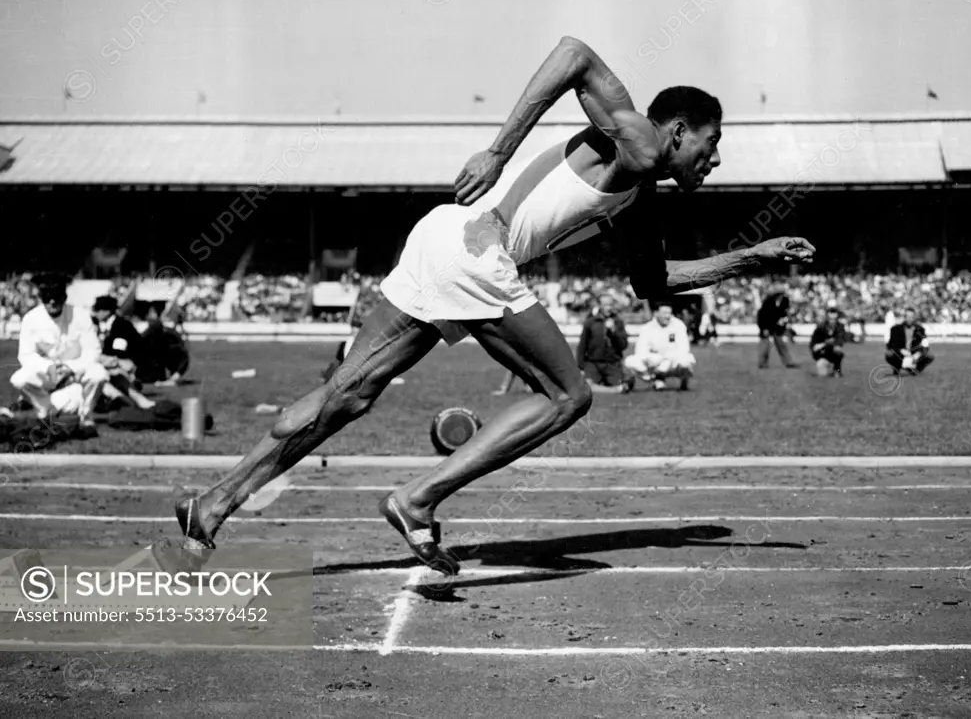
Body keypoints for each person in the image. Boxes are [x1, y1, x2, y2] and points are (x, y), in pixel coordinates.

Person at [165, 36, 815, 575]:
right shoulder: (643, 141)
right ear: (679, 130)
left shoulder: (640, 189)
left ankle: (214, 504)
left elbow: (653, 282)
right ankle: (418, 500)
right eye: (713, 140)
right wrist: (498, 150)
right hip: (481, 252)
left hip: (445, 234)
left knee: (346, 395)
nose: (718, 157)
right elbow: (574, 55)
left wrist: (747, 259)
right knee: (567, 396)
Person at [9, 274, 107, 435]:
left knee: (99, 374)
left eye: (57, 297)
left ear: (65, 296)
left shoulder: (81, 316)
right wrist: (48, 367)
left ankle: (86, 416)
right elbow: (26, 355)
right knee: (19, 379)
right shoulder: (31, 319)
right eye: (47, 298)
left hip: (75, 373)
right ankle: (46, 412)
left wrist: (71, 367)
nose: (52, 302)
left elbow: (93, 351)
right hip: (47, 374)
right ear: (41, 298)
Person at [92, 295, 155, 410]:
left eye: (99, 310)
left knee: (110, 372)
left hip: (131, 367)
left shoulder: (121, 326)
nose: (96, 313)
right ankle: (127, 400)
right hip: (114, 364)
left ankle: (124, 400)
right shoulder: (100, 325)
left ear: (107, 311)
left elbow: (119, 354)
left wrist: (103, 359)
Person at [625, 303, 696, 390]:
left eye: (669, 313)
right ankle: (657, 379)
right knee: (630, 361)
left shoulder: (678, 325)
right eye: (664, 313)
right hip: (654, 362)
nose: (667, 316)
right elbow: (640, 349)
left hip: (672, 361)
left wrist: (668, 358)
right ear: (656, 313)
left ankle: (684, 383)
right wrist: (647, 359)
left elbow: (684, 348)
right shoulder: (647, 328)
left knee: (686, 360)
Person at [577, 293, 633, 393]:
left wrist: (614, 332)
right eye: (605, 305)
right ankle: (614, 390)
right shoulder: (590, 322)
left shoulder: (618, 322)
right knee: (586, 386)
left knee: (627, 382)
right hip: (593, 363)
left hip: (612, 363)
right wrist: (580, 367)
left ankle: (608, 385)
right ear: (599, 306)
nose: (608, 308)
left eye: (610, 305)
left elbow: (623, 345)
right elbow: (582, 346)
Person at [138, 306, 190, 387]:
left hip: (163, 360)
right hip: (159, 361)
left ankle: (167, 379)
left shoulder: (158, 330)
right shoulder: (154, 331)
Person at [757, 284, 798, 369]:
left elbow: (786, 313)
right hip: (767, 326)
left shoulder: (785, 300)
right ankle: (763, 363)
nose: (781, 295)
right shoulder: (768, 301)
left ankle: (788, 362)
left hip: (777, 327)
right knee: (765, 345)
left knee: (781, 345)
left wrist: (785, 321)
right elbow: (762, 316)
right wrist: (764, 328)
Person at [885, 306, 934, 376]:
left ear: (914, 317)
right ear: (904, 317)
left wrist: (918, 353)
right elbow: (891, 345)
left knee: (929, 356)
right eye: (907, 316)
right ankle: (896, 369)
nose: (909, 318)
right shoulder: (895, 329)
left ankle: (915, 370)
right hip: (900, 354)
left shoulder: (920, 329)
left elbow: (925, 345)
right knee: (889, 354)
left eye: (911, 316)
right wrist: (901, 350)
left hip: (914, 354)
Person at [809, 306, 846, 377]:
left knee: (839, 353)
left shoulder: (840, 327)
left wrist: (836, 344)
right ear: (827, 318)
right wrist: (824, 343)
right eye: (830, 319)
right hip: (821, 353)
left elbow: (840, 338)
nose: (832, 321)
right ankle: (825, 365)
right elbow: (813, 345)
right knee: (822, 374)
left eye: (834, 319)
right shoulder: (820, 327)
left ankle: (836, 370)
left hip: (832, 352)